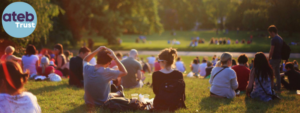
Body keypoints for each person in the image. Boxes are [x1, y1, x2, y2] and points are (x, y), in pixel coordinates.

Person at [268, 25, 283, 91]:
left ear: (272, 32)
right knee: (277, 73)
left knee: (268, 71)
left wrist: (269, 58)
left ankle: (271, 85)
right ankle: (278, 86)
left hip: (274, 58)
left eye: (270, 33)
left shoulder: (274, 39)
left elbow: (272, 50)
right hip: (279, 58)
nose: (270, 34)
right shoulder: (280, 38)